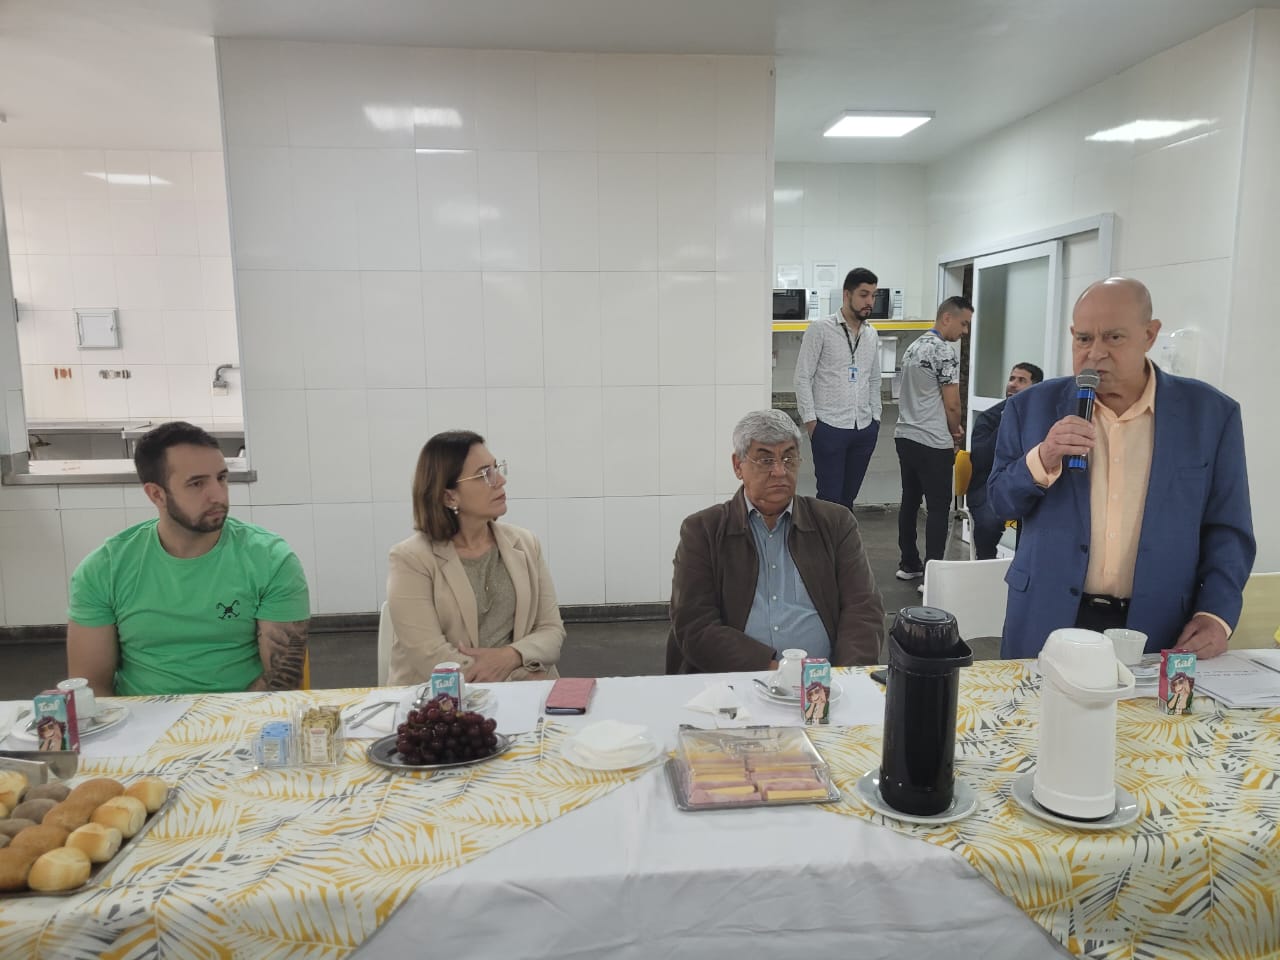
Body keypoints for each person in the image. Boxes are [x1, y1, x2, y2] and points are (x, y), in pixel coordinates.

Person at [989, 277, 1255, 659]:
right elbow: (999, 503)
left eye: (1113, 338)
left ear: (1150, 335)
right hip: (1045, 618)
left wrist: (1215, 614)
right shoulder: (1030, 407)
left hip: (1161, 625)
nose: (1095, 353)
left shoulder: (1211, 415)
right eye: (1083, 339)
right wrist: (1043, 458)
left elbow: (1228, 530)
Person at [67, 422, 311, 696]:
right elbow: (91, 688)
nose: (218, 495)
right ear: (156, 494)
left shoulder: (271, 560)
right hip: (140, 718)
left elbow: (282, 680)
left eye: (221, 478)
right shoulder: (104, 570)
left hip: (244, 715)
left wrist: (221, 719)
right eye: (197, 483)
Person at [665, 410, 884, 674]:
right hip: (735, 680)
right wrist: (777, 671)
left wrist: (843, 678)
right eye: (765, 460)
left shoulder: (835, 523)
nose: (780, 471)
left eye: (789, 458)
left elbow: (863, 609)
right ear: (738, 466)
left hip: (824, 684)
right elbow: (694, 624)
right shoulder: (703, 531)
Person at [386, 431, 563, 684]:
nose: (500, 480)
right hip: (445, 699)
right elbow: (431, 657)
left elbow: (551, 630)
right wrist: (517, 677)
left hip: (526, 691)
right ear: (449, 496)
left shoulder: (525, 544)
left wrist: (510, 656)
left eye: (496, 468)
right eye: (484, 474)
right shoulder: (411, 559)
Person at [893, 296, 973, 588]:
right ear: (947, 318)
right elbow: (952, 404)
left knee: (910, 501)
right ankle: (933, 577)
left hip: (906, 436)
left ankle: (909, 563)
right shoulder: (943, 351)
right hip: (932, 441)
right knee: (939, 508)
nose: (964, 331)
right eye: (963, 324)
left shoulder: (913, 347)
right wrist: (956, 432)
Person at [794, 267, 884, 508]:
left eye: (873, 296)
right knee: (829, 499)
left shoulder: (871, 334)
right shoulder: (821, 329)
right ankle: (825, 535)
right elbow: (802, 377)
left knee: (848, 499)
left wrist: (875, 418)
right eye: (864, 295)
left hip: (863, 428)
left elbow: (874, 379)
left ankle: (843, 534)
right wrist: (812, 423)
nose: (870, 302)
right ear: (847, 295)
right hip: (829, 427)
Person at [968, 362, 1044, 559]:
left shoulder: (1042, 420)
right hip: (990, 484)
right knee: (988, 522)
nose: (1013, 384)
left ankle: (1024, 564)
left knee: (1043, 516)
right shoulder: (989, 418)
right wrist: (1006, 421)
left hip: (1031, 484)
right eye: (1011, 378)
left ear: (1036, 387)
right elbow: (981, 459)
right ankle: (985, 565)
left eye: (1021, 380)